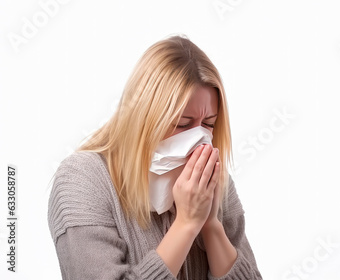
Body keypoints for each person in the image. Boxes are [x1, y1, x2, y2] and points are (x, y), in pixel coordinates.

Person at [47, 34, 262, 279]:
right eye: (182, 124)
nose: (199, 140)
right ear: (143, 119)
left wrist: (211, 225)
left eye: (209, 124)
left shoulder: (214, 182)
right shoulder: (82, 180)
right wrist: (186, 224)